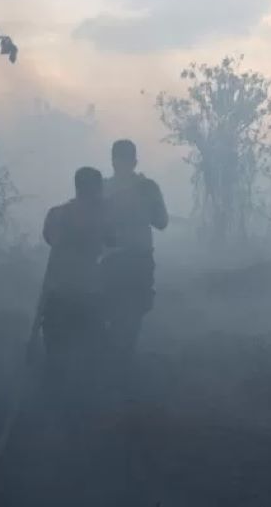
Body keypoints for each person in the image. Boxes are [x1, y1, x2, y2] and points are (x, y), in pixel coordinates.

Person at [40, 167, 115, 384]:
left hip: (56, 293)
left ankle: (52, 402)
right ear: (97, 189)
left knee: (56, 357)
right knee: (91, 358)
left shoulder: (56, 213)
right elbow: (113, 241)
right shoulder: (102, 216)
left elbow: (49, 239)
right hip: (88, 295)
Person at [102, 140, 168, 377]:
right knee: (132, 313)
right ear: (135, 161)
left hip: (112, 261)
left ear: (112, 161)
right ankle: (122, 365)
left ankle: (114, 366)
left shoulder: (102, 188)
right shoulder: (147, 187)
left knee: (114, 311)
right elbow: (162, 222)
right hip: (137, 258)